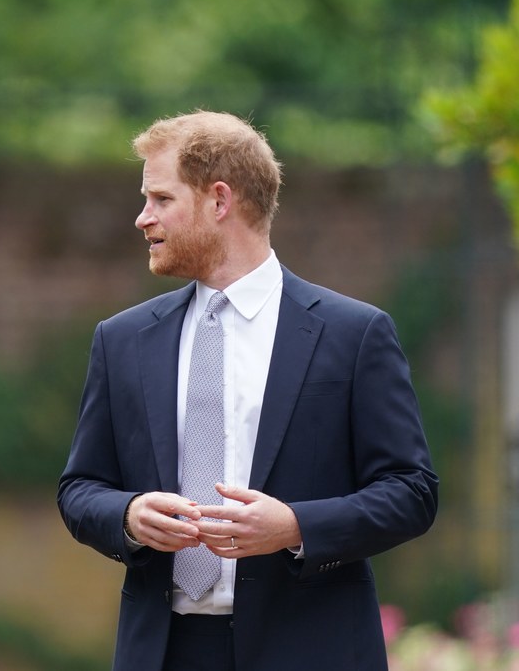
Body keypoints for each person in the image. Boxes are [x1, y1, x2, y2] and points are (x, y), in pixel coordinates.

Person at [57, 110, 439, 670]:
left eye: (161, 199)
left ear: (219, 201)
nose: (142, 218)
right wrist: (130, 514)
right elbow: (79, 488)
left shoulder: (354, 334)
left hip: (311, 649)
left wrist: (296, 526)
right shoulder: (122, 340)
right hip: (162, 652)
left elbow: (412, 492)